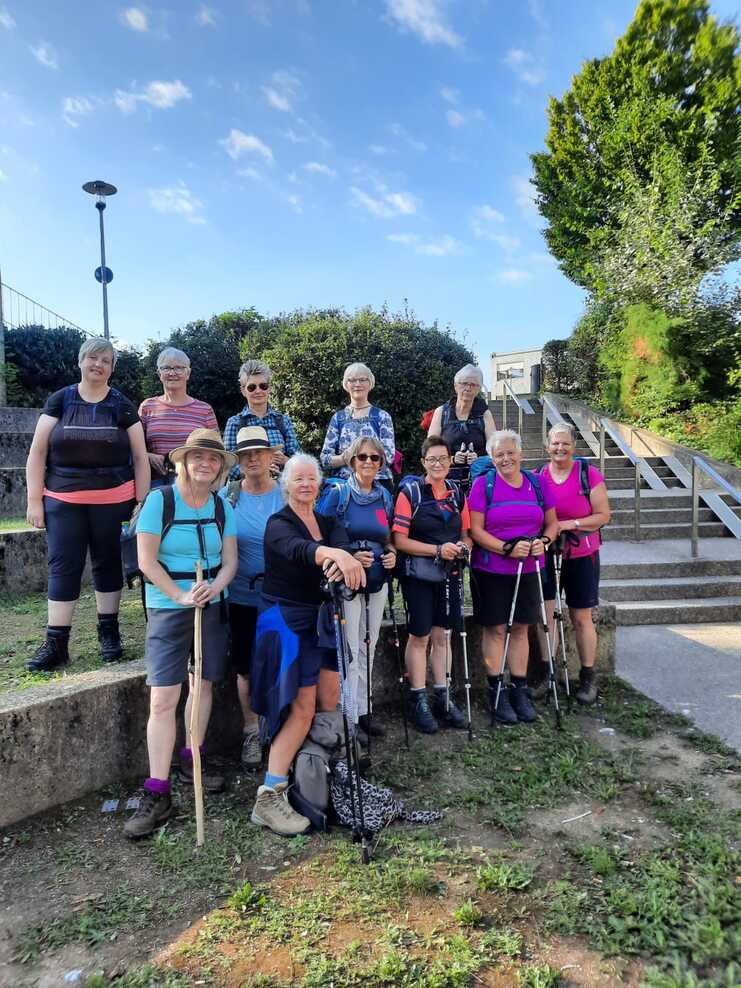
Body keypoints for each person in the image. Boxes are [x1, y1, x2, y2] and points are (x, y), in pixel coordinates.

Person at [123, 429, 238, 839]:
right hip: (168, 607)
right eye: (197, 458)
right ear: (183, 461)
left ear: (220, 467)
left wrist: (215, 587)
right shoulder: (159, 501)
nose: (205, 464)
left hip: (210, 605)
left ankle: (194, 762)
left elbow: (229, 563)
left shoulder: (223, 506)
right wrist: (179, 594)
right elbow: (146, 560)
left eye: (213, 459)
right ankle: (157, 790)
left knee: (202, 685)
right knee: (164, 696)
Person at [250, 453, 365, 837]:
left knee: (330, 696)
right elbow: (300, 550)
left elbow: (345, 549)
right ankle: (270, 795)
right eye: (298, 479)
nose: (305, 485)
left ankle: (318, 772)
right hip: (286, 620)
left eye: (311, 479)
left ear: (319, 484)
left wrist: (340, 555)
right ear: (287, 485)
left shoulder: (330, 522)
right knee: (301, 707)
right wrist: (333, 555)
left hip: (322, 618)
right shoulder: (278, 523)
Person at [24, 337, 150, 671]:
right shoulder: (59, 400)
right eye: (92, 358)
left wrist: (142, 500)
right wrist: (34, 499)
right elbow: (37, 452)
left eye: (106, 360)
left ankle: (109, 632)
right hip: (62, 500)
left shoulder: (122, 404)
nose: (98, 364)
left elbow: (139, 456)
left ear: (112, 368)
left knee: (108, 565)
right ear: (80, 362)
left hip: (114, 499)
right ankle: (56, 643)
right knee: (62, 567)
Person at [469, 430, 558, 726]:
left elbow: (552, 522)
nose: (505, 458)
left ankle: (519, 689)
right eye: (499, 455)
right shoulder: (484, 485)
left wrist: (543, 542)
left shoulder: (537, 482)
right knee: (495, 630)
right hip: (492, 570)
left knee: (521, 628)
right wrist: (505, 548)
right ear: (492, 459)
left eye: (510, 453)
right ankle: (496, 690)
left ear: (520, 454)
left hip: (530, 568)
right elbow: (476, 531)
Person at [317, 435, 396, 740]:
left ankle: (364, 711)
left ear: (381, 464)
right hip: (346, 582)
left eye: (374, 458)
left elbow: (387, 538)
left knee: (368, 645)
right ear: (351, 461)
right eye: (362, 457)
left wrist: (392, 556)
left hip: (377, 580)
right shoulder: (338, 494)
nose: (368, 463)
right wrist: (349, 555)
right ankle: (346, 715)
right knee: (348, 649)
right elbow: (321, 537)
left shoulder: (384, 496)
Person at [392, 436, 472, 734]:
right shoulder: (410, 493)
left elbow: (466, 534)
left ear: (450, 461)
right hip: (418, 576)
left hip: (449, 574)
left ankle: (443, 695)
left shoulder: (456, 493)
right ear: (423, 463)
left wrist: (463, 548)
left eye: (443, 458)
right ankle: (418, 698)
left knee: (443, 635)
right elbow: (399, 540)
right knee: (420, 636)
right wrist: (437, 550)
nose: (438, 464)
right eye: (432, 460)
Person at [218, 427, 284, 770]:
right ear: (238, 461)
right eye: (245, 454)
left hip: (281, 597)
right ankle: (250, 731)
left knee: (279, 662)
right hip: (241, 596)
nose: (253, 459)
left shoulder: (286, 494)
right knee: (244, 666)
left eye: (259, 452)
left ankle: (280, 729)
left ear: (272, 456)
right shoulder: (227, 496)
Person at [535, 423, 611, 705]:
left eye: (565, 443)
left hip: (582, 553)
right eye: (555, 443)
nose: (560, 448)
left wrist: (570, 524)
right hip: (548, 553)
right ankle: (547, 673)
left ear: (574, 446)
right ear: (547, 446)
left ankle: (588, 677)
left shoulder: (588, 474)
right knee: (546, 614)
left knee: (581, 616)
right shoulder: (540, 475)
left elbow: (603, 515)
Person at [139, 347, 219, 488]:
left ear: (188, 373)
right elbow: (135, 448)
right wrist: (149, 457)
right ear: (159, 374)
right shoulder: (147, 407)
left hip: (195, 484)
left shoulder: (204, 410)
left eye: (179, 368)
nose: (172, 373)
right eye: (166, 368)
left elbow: (217, 451)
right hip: (156, 485)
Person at [320, 362, 396, 492]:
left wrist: (363, 461)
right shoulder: (338, 418)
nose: (357, 384)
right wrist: (344, 458)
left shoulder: (382, 416)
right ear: (346, 384)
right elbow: (325, 459)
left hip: (377, 485)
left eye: (362, 379)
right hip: (345, 488)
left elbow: (388, 456)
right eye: (352, 380)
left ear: (370, 383)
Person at [224, 359, 301, 481]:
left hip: (282, 488)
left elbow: (299, 460)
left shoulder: (283, 421)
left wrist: (286, 461)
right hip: (247, 490)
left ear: (269, 388)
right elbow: (229, 463)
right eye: (252, 387)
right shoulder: (234, 423)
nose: (258, 391)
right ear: (243, 391)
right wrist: (259, 472)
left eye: (263, 386)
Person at [427, 364, 496, 490]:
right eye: (464, 383)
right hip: (444, 479)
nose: (468, 388)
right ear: (455, 386)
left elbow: (495, 449)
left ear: (479, 389)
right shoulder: (442, 412)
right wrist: (451, 459)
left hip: (478, 480)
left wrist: (479, 459)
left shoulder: (485, 414)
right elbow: (430, 448)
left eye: (473, 385)